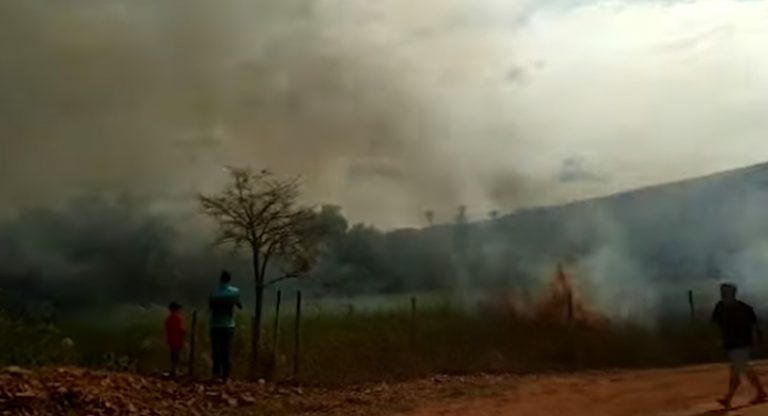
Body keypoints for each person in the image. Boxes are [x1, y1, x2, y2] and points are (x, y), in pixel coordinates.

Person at [711, 282, 767, 408]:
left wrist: (758, 339)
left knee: (737, 370)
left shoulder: (744, 308)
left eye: (725, 292)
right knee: (742, 369)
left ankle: (729, 398)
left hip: (742, 344)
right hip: (731, 343)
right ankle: (760, 392)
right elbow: (715, 326)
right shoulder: (721, 307)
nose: (723, 294)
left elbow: (755, 326)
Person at [209, 270, 242, 380]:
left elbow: (211, 306)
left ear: (220, 279)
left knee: (216, 351)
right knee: (227, 350)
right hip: (229, 325)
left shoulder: (214, 292)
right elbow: (239, 305)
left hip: (215, 325)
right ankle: (226, 375)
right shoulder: (235, 292)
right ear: (230, 279)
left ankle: (216, 373)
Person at [164, 301, 186, 378]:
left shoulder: (168, 319)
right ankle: (175, 372)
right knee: (177, 357)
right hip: (178, 340)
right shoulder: (178, 318)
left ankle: (173, 370)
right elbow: (182, 330)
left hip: (170, 340)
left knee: (173, 356)